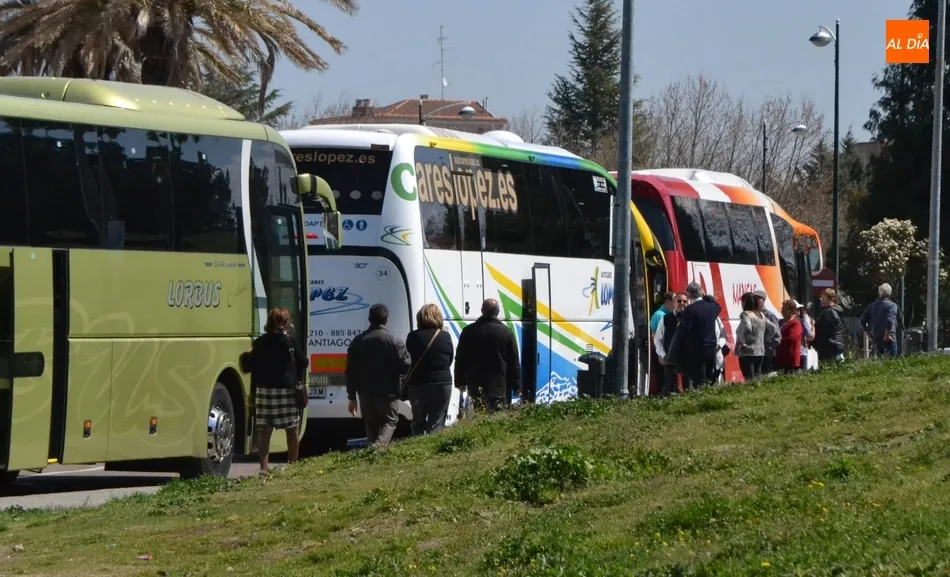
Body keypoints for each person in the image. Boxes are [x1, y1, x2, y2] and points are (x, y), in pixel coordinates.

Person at [345, 303, 411, 449]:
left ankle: (373, 454)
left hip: (364, 391)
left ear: (369, 319)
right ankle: (378, 447)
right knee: (391, 421)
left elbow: (350, 371)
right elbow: (406, 364)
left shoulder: (358, 341)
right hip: (387, 391)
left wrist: (351, 396)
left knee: (371, 424)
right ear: (386, 320)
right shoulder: (394, 341)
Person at [250, 307, 308, 473]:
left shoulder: (260, 342)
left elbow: (252, 364)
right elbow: (304, 362)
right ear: (287, 323)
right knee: (291, 429)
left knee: (265, 430)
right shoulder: (290, 342)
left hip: (263, 390)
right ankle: (292, 464)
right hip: (285, 390)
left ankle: (263, 466)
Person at [454, 298, 521, 413]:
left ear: (481, 311)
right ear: (498, 312)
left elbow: (460, 359)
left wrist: (460, 382)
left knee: (479, 418)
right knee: (497, 420)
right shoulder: (506, 333)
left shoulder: (468, 331)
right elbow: (513, 361)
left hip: (476, 385)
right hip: (499, 387)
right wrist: (517, 385)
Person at [405, 304, 455, 436]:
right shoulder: (445, 336)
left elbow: (408, 360)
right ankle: (433, 451)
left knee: (418, 421)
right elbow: (449, 359)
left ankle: (417, 449)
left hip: (418, 383)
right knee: (437, 422)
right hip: (442, 382)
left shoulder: (412, 337)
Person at [679, 282, 723, 389]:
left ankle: (701, 400)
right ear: (701, 292)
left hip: (696, 349)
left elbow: (686, 330)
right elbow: (718, 306)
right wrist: (705, 296)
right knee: (708, 376)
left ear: (688, 294)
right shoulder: (711, 307)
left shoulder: (690, 309)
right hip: (711, 347)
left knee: (698, 379)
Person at [653, 292, 688, 395]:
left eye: (685, 301)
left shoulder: (691, 318)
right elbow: (657, 339)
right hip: (670, 358)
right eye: (679, 301)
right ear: (673, 303)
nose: (682, 303)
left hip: (687, 359)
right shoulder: (665, 319)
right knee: (670, 386)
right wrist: (663, 354)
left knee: (688, 387)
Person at [860, 283, 899, 357]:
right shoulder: (892, 306)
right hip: (889, 337)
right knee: (892, 360)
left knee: (879, 359)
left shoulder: (872, 306)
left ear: (879, 293)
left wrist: (868, 333)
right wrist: (887, 335)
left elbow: (862, 320)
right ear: (890, 293)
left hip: (876, 336)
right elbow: (890, 320)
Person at [735, 292, 767, 380]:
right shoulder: (761, 315)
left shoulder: (746, 314)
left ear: (745, 302)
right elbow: (773, 329)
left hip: (747, 351)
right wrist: (768, 340)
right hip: (760, 351)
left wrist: (741, 341)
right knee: (757, 377)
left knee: (749, 378)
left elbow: (747, 326)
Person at [649, 292, 676, 395]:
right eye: (675, 301)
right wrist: (660, 354)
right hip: (659, 350)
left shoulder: (667, 314)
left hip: (664, 351)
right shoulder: (660, 315)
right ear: (668, 302)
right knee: (662, 376)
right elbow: (655, 335)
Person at [814, 289, 846, 364]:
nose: (822, 300)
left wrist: (814, 324)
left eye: (824, 298)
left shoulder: (829, 311)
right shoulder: (835, 310)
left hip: (829, 345)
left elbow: (824, 328)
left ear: (831, 299)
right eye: (821, 298)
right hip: (835, 344)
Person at [753, 290, 781, 374]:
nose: (755, 301)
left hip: (766, 355)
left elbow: (777, 336)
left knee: (764, 374)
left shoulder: (769, 315)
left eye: (758, 299)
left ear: (763, 300)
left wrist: (768, 347)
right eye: (754, 299)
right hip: (754, 353)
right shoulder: (752, 314)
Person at [776, 299, 804, 373]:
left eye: (784, 309)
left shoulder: (795, 323)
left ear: (791, 311)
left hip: (791, 359)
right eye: (782, 308)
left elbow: (792, 338)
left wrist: (778, 341)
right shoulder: (781, 322)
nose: (782, 311)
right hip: (782, 358)